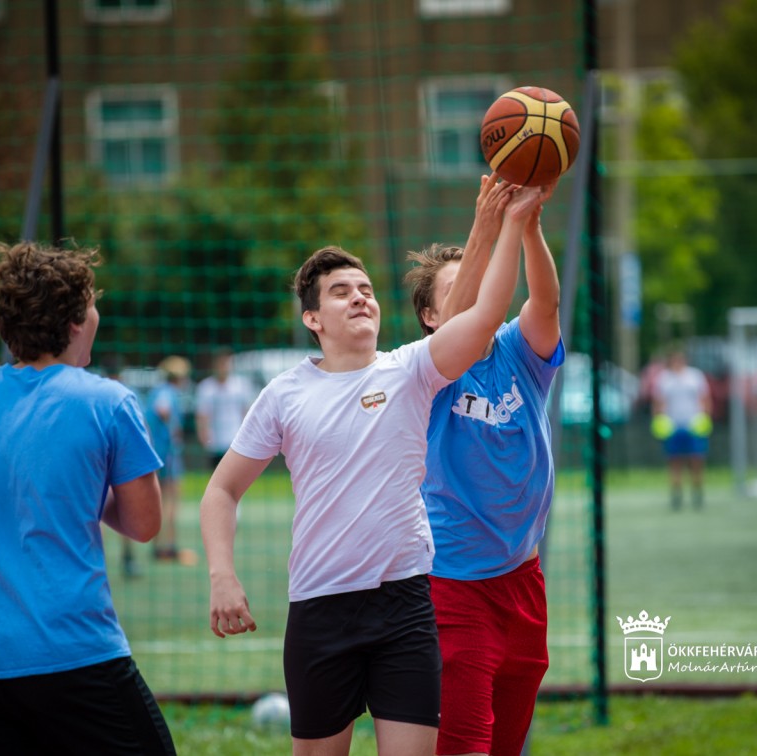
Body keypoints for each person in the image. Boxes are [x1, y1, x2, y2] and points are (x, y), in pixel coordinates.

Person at [199, 181, 549, 756]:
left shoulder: (411, 371)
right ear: (313, 318)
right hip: (321, 605)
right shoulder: (284, 394)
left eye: (365, 289)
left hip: (405, 606)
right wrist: (222, 576)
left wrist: (504, 223)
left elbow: (485, 314)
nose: (359, 298)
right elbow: (221, 491)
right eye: (341, 293)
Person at [0, 241, 177, 755]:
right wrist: (84, 493)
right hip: (76, 658)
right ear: (77, 320)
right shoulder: (108, 402)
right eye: (93, 303)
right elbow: (145, 523)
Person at [405, 173, 562, 756]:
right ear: (430, 316)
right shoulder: (427, 370)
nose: (478, 292)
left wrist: (530, 225)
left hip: (522, 579)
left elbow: (544, 302)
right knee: (466, 744)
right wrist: (491, 225)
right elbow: (461, 323)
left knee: (507, 744)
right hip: (454, 586)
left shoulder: (520, 353)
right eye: (457, 288)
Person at [146, 355, 198, 565]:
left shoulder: (157, 391)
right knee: (171, 499)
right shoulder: (167, 392)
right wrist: (173, 431)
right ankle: (169, 546)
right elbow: (163, 409)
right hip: (167, 452)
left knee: (159, 499)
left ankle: (158, 546)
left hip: (157, 452)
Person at [652, 344, 712, 510]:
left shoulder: (695, 376)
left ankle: (697, 493)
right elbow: (658, 402)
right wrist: (659, 420)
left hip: (694, 425)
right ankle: (676, 495)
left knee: (696, 460)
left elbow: (705, 398)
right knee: (674, 462)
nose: (677, 362)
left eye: (680, 359)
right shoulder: (664, 378)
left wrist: (705, 417)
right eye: (674, 359)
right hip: (672, 427)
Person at [194, 348, 255, 469]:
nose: (223, 367)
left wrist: (249, 435)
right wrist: (203, 434)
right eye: (220, 363)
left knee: (237, 474)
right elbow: (202, 414)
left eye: (226, 363)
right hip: (215, 441)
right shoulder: (206, 387)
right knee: (217, 474)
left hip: (236, 439)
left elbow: (247, 411)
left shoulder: (241, 385)